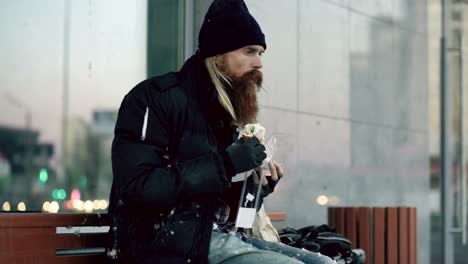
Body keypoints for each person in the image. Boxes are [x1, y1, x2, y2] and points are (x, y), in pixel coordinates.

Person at [109, 0, 335, 263]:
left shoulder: (224, 112)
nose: (259, 62)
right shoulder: (154, 98)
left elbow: (221, 206)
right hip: (163, 244)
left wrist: (257, 188)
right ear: (217, 55)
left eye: (261, 53)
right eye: (249, 51)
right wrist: (227, 163)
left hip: (213, 237)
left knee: (325, 262)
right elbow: (137, 187)